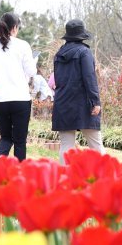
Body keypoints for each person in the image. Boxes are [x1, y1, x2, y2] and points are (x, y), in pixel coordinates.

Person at [0, 12, 38, 160]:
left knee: (5, 137)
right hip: (20, 99)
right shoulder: (23, 45)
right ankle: (19, 175)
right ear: (15, 27)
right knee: (19, 141)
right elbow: (31, 72)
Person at [51, 19, 102, 156]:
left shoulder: (58, 54)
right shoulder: (84, 52)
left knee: (66, 145)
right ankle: (105, 175)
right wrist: (95, 102)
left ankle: (64, 176)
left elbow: (58, 79)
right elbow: (89, 78)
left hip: (63, 103)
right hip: (83, 104)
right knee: (96, 144)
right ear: (82, 36)